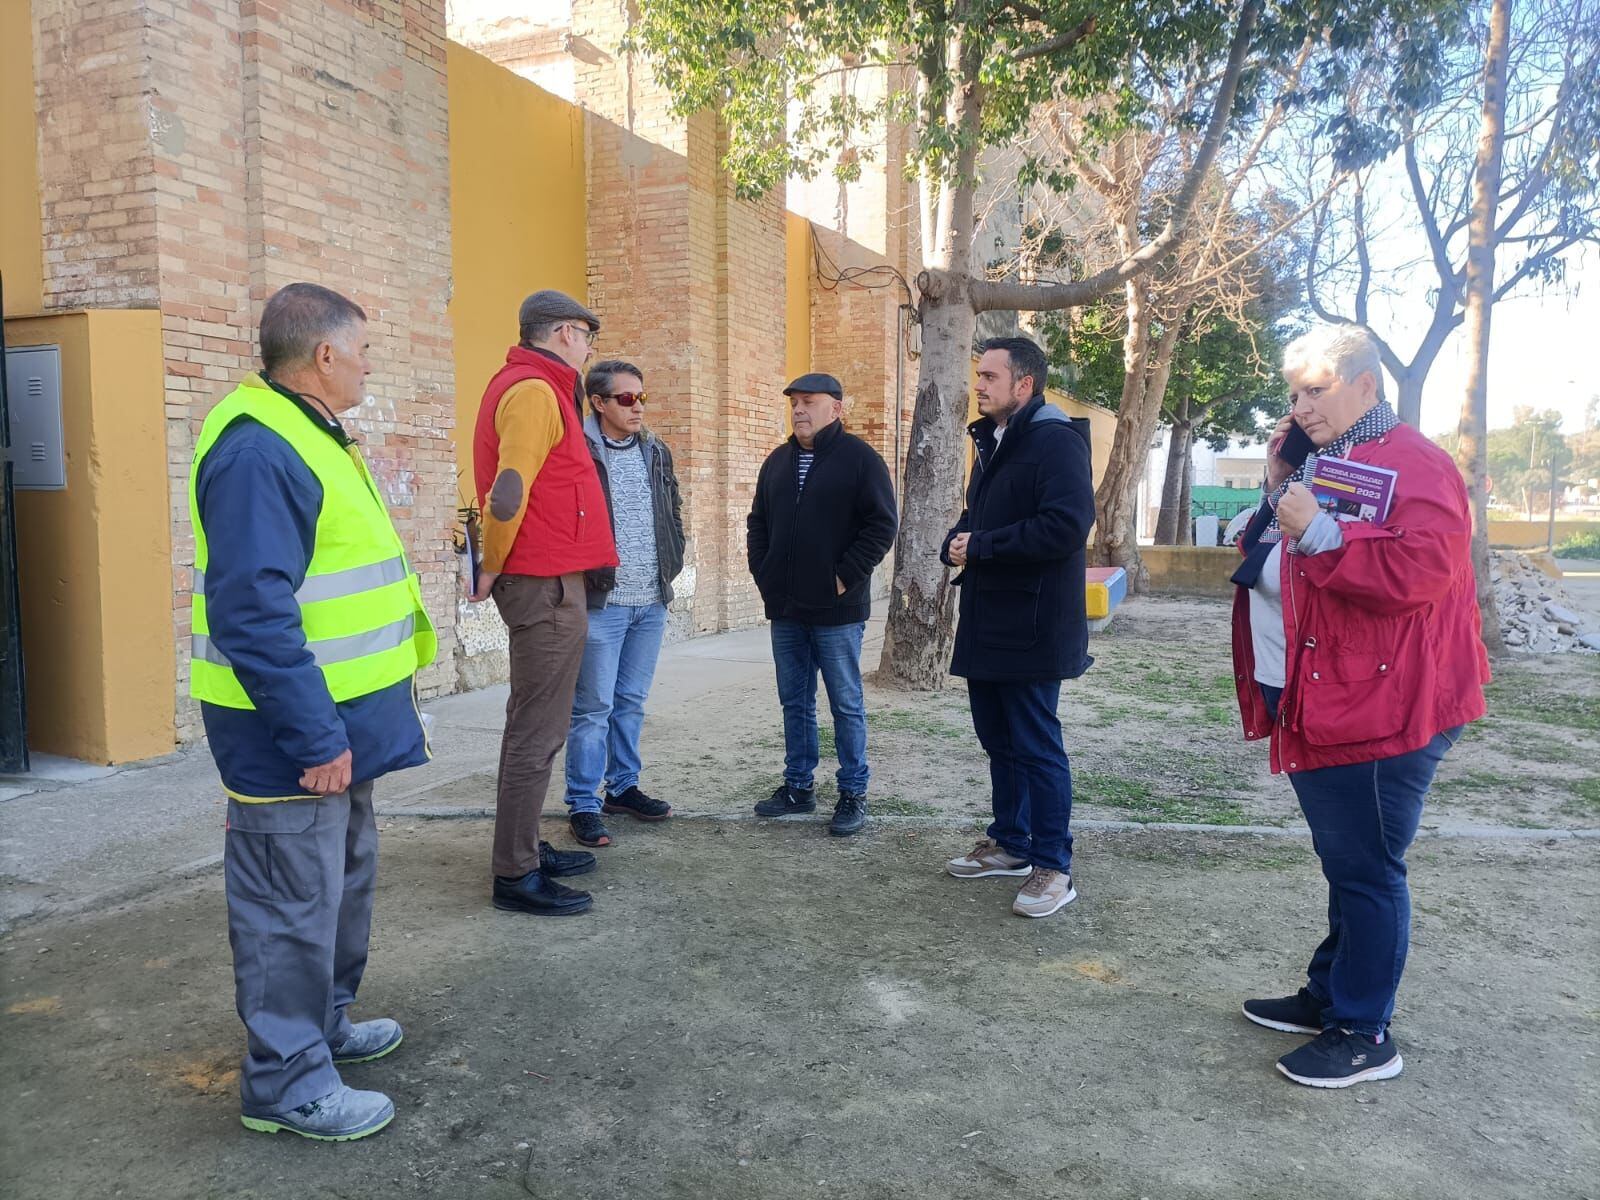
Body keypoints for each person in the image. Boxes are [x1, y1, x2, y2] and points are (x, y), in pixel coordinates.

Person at [190, 282, 437, 1140]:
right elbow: (252, 611)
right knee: (289, 903)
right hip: (290, 736)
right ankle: (286, 1083)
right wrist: (314, 733)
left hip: (336, 728)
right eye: (363, 348)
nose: (370, 362)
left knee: (336, 886)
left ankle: (323, 1028)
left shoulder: (310, 432)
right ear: (324, 356)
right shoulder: (260, 448)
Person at [1231, 323, 1488, 1088]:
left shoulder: (1417, 464)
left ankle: (1364, 1029)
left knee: (1368, 868)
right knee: (1347, 861)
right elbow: (1269, 547)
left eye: (1316, 389)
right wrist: (1280, 485)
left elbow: (1419, 574)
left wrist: (1320, 532)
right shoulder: (1330, 457)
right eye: (1294, 391)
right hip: (1334, 693)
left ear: (1365, 386)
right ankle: (1330, 995)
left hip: (1385, 708)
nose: (1300, 404)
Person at [470, 290, 618, 915]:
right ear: (563, 333)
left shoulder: (541, 387)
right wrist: (491, 566)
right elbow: (508, 495)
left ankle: (524, 844)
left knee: (536, 724)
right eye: (586, 337)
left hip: (552, 580)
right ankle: (515, 872)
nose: (589, 349)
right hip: (544, 585)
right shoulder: (533, 392)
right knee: (538, 729)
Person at [941, 336, 1094, 919]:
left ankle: (1054, 866)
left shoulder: (1054, 442)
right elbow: (979, 519)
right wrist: (956, 541)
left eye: (989, 376)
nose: (978, 385)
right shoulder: (995, 441)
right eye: (978, 376)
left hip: (1034, 625)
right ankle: (1011, 844)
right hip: (988, 620)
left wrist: (981, 545)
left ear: (1023, 384)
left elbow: (1064, 526)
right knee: (998, 740)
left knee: (1036, 746)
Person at [746, 372, 897, 836]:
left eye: (809, 402)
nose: (798, 410)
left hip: (836, 610)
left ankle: (853, 792)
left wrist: (843, 577)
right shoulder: (777, 462)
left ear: (837, 408)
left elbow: (881, 525)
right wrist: (765, 574)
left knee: (845, 703)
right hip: (786, 609)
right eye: (794, 403)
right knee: (795, 701)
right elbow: (758, 524)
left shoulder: (860, 461)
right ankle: (798, 787)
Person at [561, 360, 685, 847]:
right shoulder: (577, 452)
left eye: (641, 397)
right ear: (598, 403)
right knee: (592, 708)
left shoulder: (656, 451)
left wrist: (672, 559)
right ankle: (584, 802)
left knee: (630, 703)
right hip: (602, 603)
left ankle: (623, 787)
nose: (638, 408)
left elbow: (671, 511)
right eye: (626, 399)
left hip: (650, 600)